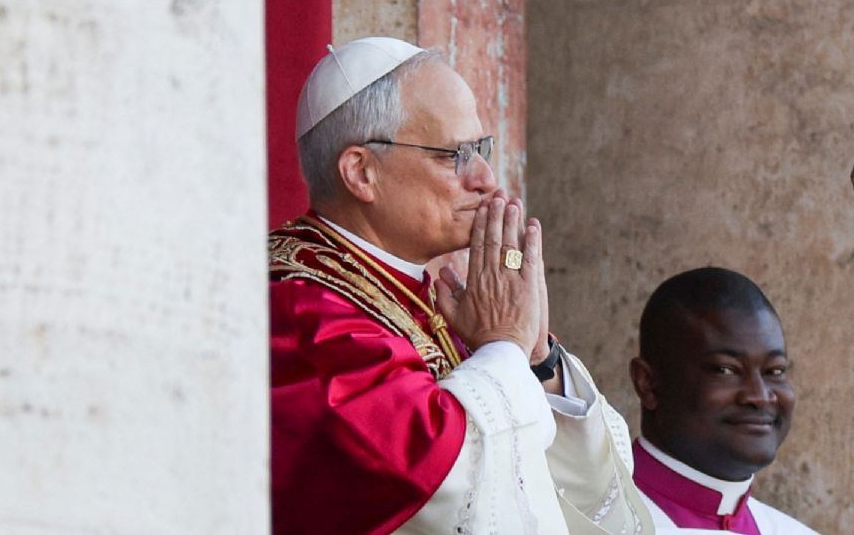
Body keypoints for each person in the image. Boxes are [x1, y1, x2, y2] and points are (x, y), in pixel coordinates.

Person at [270, 36, 653, 534]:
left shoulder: (436, 305)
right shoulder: (301, 312)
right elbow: (425, 482)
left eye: (481, 150)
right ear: (361, 172)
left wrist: (536, 360)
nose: (487, 179)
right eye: (455, 155)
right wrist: (503, 348)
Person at [629, 267, 819, 534]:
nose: (760, 397)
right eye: (725, 370)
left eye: (774, 371)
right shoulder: (577, 521)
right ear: (647, 383)